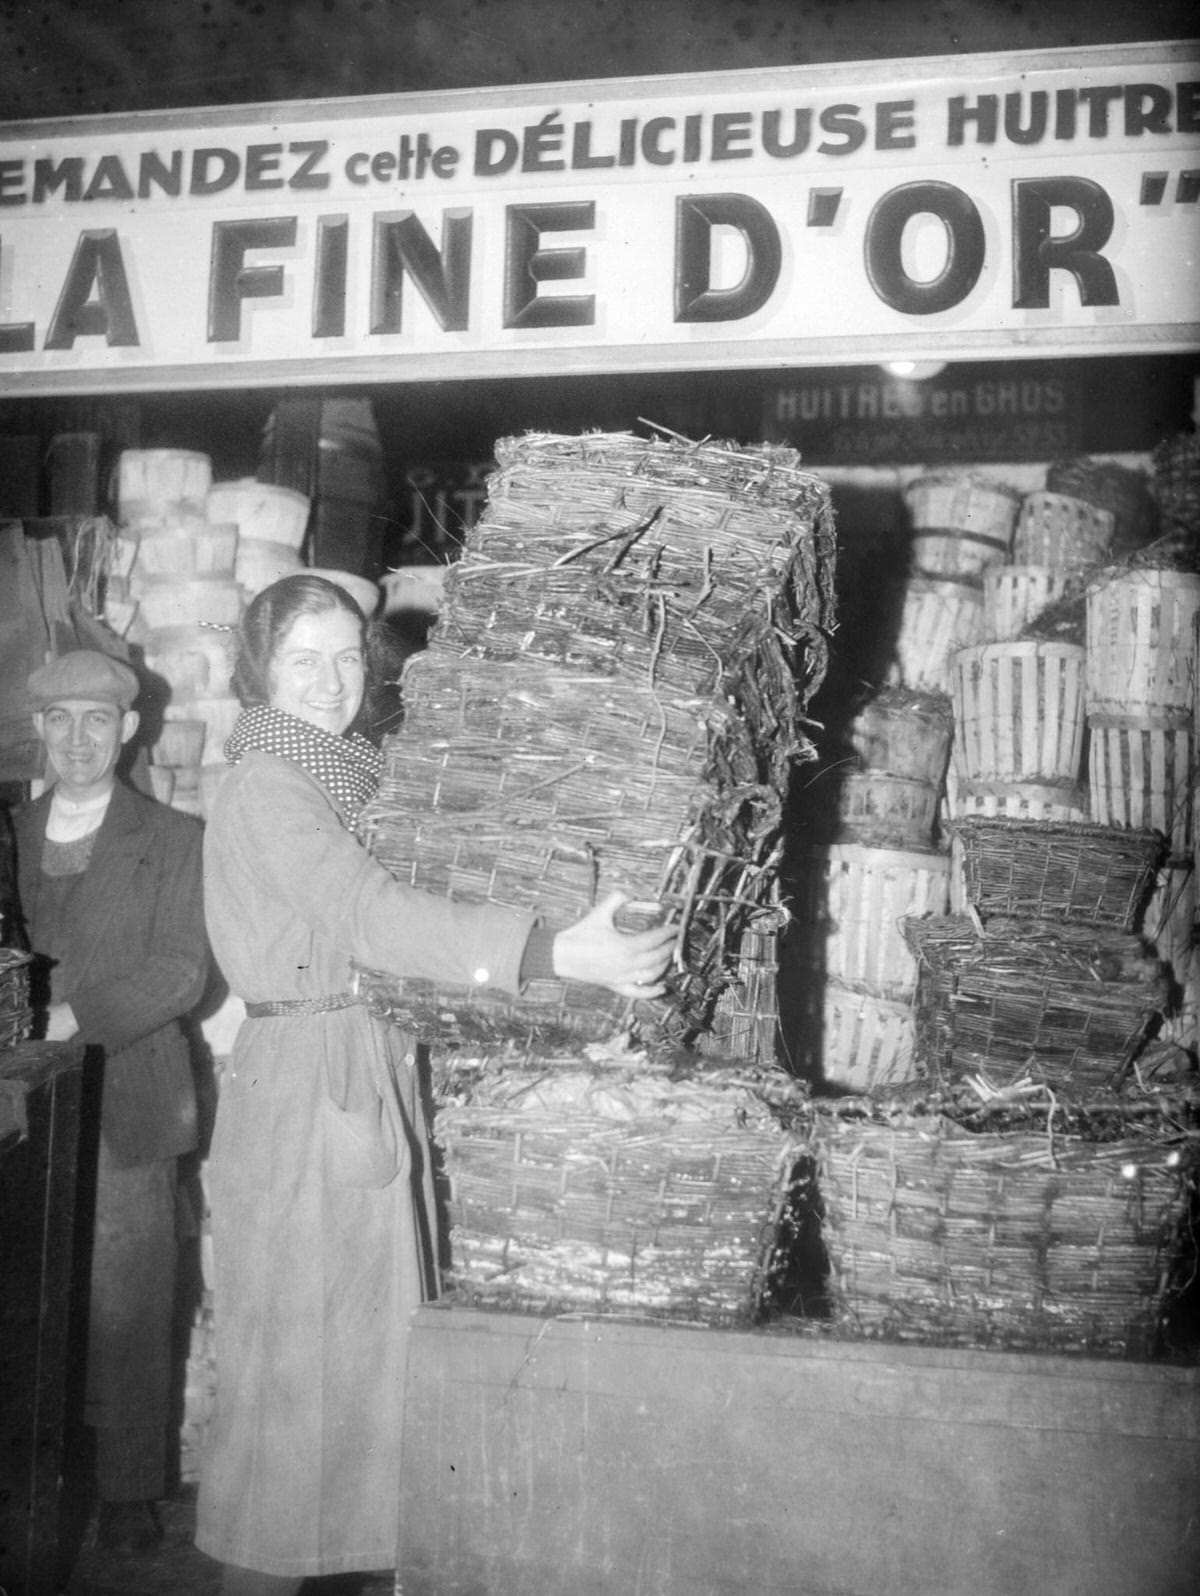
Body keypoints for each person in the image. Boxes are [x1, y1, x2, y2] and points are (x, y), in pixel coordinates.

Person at [196, 573, 675, 1595]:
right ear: (257, 670)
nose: (329, 681)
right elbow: (369, 916)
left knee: (357, 1411)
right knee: (291, 1434)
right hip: (308, 1102)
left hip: (360, 1074)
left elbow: (424, 913)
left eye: (344, 656)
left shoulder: (351, 772)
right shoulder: (268, 788)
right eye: (301, 660)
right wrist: (550, 954)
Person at [12, 649, 209, 1553]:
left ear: (129, 729)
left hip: (124, 1092)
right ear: (39, 732)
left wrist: (61, 1018)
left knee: (127, 1300)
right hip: (16, 1107)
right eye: (60, 721)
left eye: (98, 719)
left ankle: (129, 1490)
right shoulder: (8, 838)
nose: (79, 738)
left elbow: (179, 972)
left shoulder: (172, 840)